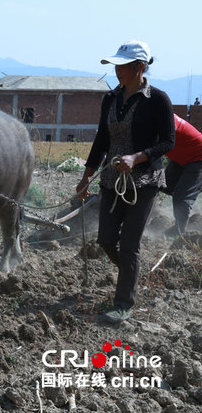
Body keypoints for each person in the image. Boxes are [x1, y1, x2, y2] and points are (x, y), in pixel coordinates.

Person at [76, 40, 175, 323]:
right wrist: (86, 177)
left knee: (130, 244)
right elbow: (101, 140)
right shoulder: (111, 99)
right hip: (111, 179)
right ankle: (130, 275)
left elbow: (168, 141)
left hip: (144, 182)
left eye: (122, 66)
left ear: (140, 67)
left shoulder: (157, 99)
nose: (117, 71)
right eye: (115, 66)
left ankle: (123, 303)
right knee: (106, 239)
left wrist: (138, 158)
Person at [162, 114, 202, 235]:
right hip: (181, 158)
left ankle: (179, 233)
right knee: (163, 185)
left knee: (181, 197)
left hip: (198, 157)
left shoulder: (164, 119)